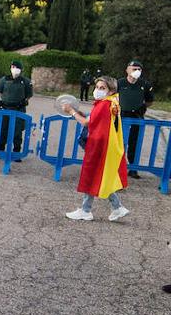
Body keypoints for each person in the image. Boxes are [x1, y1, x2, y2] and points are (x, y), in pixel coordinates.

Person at [61, 76, 130, 221]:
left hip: (99, 145)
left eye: (102, 88)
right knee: (101, 176)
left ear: (111, 91)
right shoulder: (113, 103)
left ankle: (87, 211)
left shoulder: (104, 104)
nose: (97, 90)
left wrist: (71, 111)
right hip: (106, 145)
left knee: (92, 174)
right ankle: (116, 207)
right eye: (97, 87)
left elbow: (87, 122)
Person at [116, 59, 154, 178]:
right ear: (127, 70)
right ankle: (117, 167)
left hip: (137, 117)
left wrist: (140, 108)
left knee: (135, 143)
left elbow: (149, 101)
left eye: (139, 69)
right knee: (119, 142)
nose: (137, 71)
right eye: (134, 69)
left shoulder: (145, 85)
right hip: (121, 117)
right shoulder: (119, 83)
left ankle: (133, 168)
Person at [0, 60, 32, 160]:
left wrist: (24, 102)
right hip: (6, 109)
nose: (14, 69)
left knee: (17, 132)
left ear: (21, 69)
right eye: (12, 67)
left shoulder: (25, 81)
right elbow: (0, 92)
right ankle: (0, 151)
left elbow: (29, 95)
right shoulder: (4, 79)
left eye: (16, 67)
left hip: (19, 110)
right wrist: (0, 101)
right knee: (3, 130)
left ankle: (16, 153)